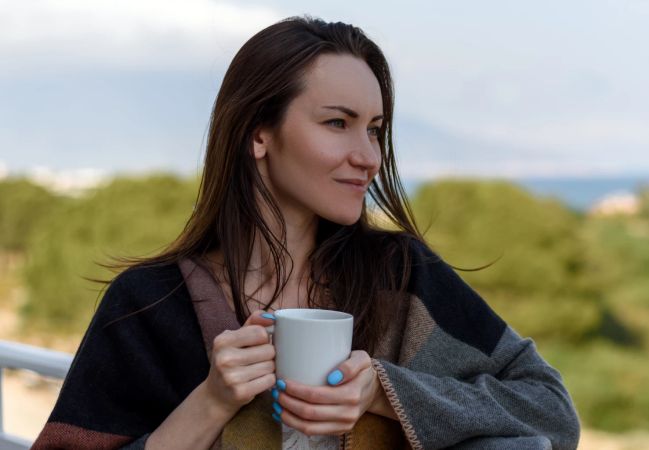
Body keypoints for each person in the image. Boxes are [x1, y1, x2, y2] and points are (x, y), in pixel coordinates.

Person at [33, 16, 580, 450]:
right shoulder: (152, 302)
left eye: (375, 130)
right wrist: (212, 401)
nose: (367, 157)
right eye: (337, 123)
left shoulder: (402, 276)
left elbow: (550, 410)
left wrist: (386, 392)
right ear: (258, 134)